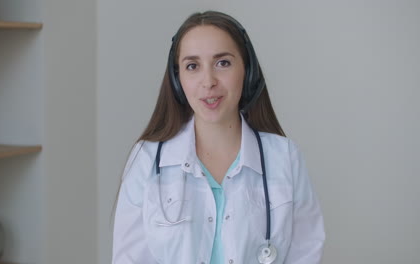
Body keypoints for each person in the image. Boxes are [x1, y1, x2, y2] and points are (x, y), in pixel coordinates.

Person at [112, 10, 325, 264]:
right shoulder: (146, 159)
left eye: (222, 63)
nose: (208, 81)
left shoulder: (285, 157)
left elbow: (306, 254)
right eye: (192, 66)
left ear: (247, 71)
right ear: (177, 79)